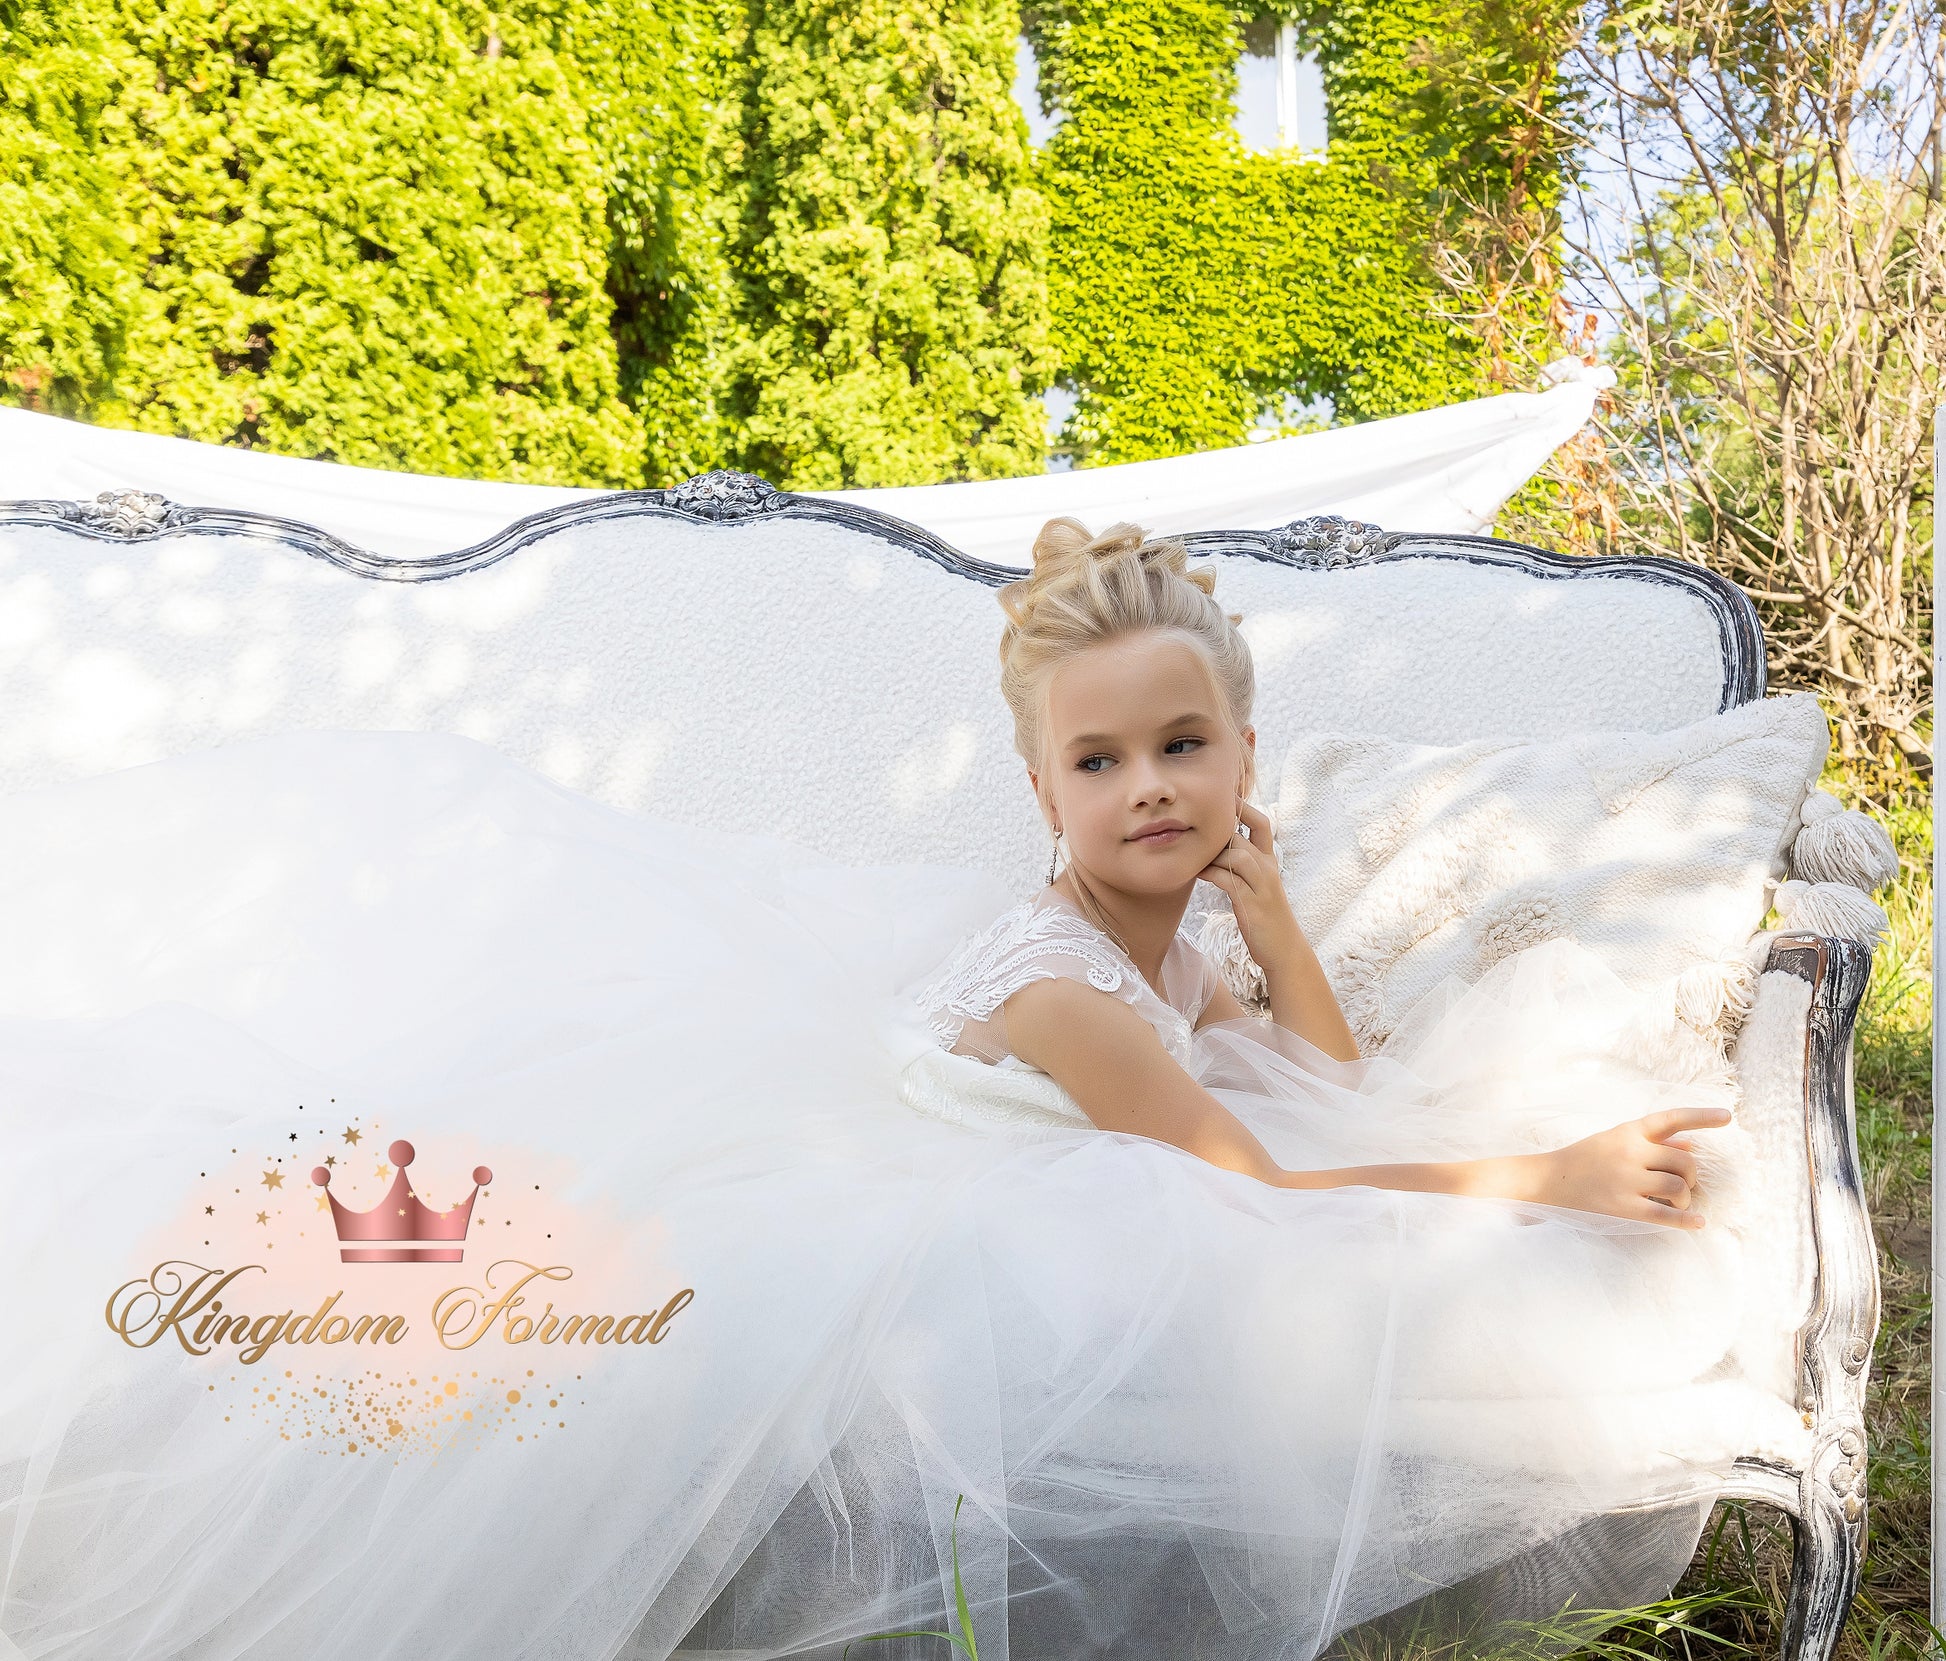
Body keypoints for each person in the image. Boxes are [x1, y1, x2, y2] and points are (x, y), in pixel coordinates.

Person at [0, 518, 1750, 1661]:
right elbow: (1270, 1177)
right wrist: (1545, 1175)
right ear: (1041, 791)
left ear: (1241, 756)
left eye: (1181, 746)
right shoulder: (1069, 986)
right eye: (1097, 760)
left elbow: (1323, 1083)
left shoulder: (1166, 948)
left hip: (967, 1148)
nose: (1147, 786)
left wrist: (1275, 912)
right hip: (881, 1210)